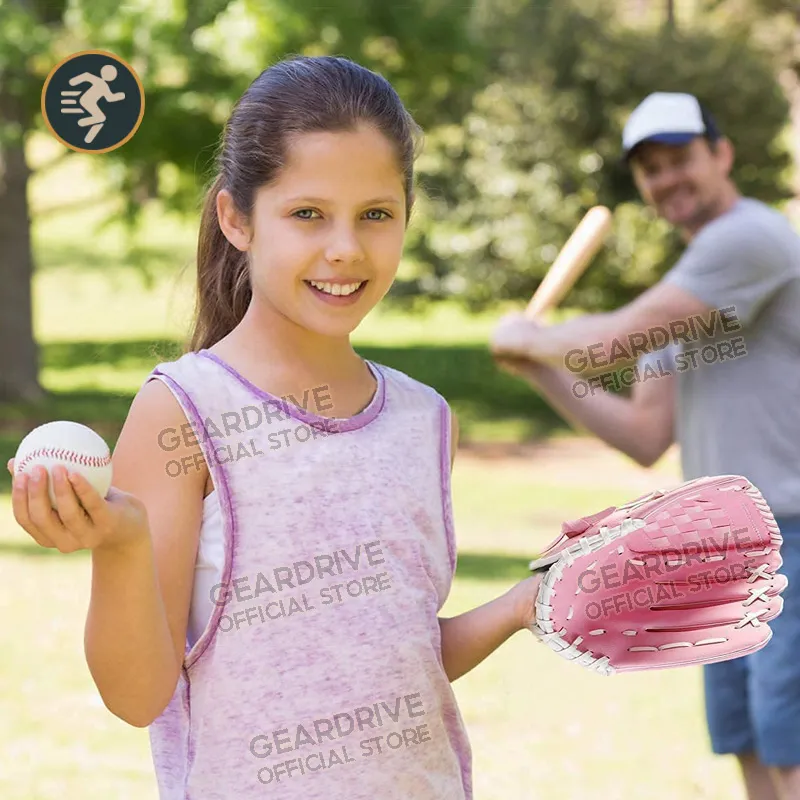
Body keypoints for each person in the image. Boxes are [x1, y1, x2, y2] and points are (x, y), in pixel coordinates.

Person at [7, 56, 542, 798]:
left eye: (376, 215)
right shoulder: (185, 411)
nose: (346, 248)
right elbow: (138, 696)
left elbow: (391, 654)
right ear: (237, 218)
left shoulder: (425, 420)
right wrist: (122, 546)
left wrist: (519, 606)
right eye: (308, 214)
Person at [491, 91, 800, 800]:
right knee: (749, 741)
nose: (668, 179)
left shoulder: (748, 240)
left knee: (790, 745)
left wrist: (534, 337)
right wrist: (537, 366)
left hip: (793, 532)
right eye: (651, 168)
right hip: (727, 547)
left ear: (721, 155)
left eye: (681, 158)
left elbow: (611, 341)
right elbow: (642, 435)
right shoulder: (688, 292)